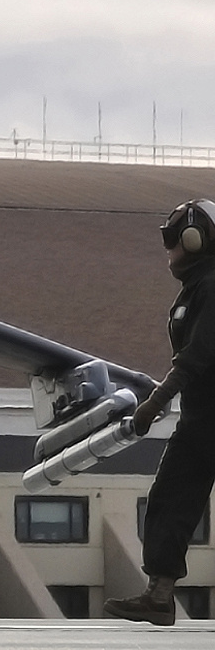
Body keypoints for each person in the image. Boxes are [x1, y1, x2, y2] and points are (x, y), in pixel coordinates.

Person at [105, 200, 215, 625]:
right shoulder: (196, 288)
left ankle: (159, 593)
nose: (169, 251)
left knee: (172, 497)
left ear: (195, 239)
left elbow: (197, 355)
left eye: (174, 241)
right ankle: (159, 594)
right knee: (169, 499)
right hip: (201, 418)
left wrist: (155, 401)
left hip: (205, 416)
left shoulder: (212, 287)